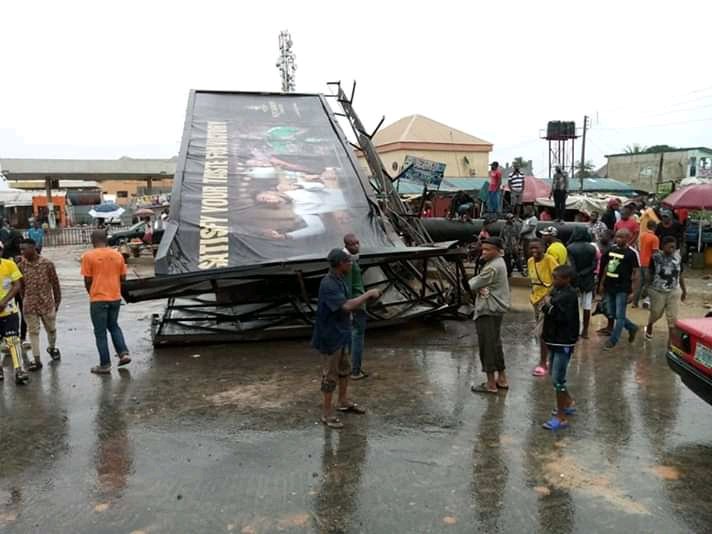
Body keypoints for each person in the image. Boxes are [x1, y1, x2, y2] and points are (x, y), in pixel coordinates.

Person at [312, 249, 382, 429]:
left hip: (341, 332)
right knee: (330, 375)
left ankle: (343, 401)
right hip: (330, 335)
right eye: (348, 262)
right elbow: (346, 305)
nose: (351, 264)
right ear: (340, 263)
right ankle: (327, 413)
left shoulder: (340, 280)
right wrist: (368, 294)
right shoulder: (328, 284)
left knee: (345, 369)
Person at [80, 230, 131, 374]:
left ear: (92, 240)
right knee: (114, 326)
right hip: (115, 297)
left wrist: (92, 294)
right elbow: (123, 278)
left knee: (100, 332)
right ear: (106, 239)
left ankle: (105, 364)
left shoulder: (88, 256)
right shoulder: (117, 255)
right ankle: (123, 353)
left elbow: (87, 280)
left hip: (98, 299)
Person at [469, 237, 511, 394]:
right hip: (496, 309)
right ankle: (502, 378)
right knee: (495, 343)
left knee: (487, 346)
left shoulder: (492, 268)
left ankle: (490, 384)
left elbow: (473, 284)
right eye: (483, 249)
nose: (484, 252)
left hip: (488, 309)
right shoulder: (500, 262)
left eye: (487, 250)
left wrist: (470, 283)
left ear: (497, 250)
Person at [540, 265, 579, 430]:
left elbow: (559, 314)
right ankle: (568, 402)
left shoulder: (569, 296)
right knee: (555, 375)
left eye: (557, 278)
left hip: (563, 341)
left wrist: (547, 305)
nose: (554, 281)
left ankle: (561, 417)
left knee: (558, 379)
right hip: (554, 340)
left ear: (567, 279)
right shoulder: (557, 292)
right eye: (553, 277)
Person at [17, 239, 61, 371]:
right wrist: (24, 299)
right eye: (21, 249)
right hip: (30, 305)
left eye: (24, 249)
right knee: (33, 332)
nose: (22, 252)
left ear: (33, 248)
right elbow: (21, 287)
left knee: (51, 330)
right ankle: (37, 360)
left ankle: (52, 348)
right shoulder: (21, 266)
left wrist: (57, 301)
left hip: (47, 303)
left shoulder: (47, 264)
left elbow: (55, 284)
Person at [599, 229, 640, 350]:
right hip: (609, 285)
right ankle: (632, 327)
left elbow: (636, 273)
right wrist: (601, 284)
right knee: (612, 312)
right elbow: (606, 267)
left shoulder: (632, 253)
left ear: (628, 238)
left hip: (623, 287)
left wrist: (633, 292)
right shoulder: (611, 250)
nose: (618, 239)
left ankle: (613, 340)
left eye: (621, 237)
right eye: (617, 237)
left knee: (620, 315)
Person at [645, 236, 687, 345]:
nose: (672, 249)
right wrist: (646, 289)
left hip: (674, 290)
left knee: (672, 318)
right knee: (656, 313)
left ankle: (670, 343)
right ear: (663, 246)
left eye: (674, 247)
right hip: (658, 291)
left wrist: (684, 290)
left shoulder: (678, 258)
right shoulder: (655, 257)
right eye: (670, 247)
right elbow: (650, 273)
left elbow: (680, 274)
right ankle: (650, 324)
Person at [527, 239, 559, 377]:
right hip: (536, 299)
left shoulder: (549, 260)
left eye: (537, 248)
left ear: (544, 248)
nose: (534, 251)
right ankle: (551, 359)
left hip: (547, 300)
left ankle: (542, 363)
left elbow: (558, 277)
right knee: (547, 332)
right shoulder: (530, 261)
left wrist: (550, 295)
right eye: (531, 248)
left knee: (541, 333)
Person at [0, 241, 29, 384]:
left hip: (9, 309)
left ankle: (18, 369)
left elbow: (17, 284)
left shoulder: (9, 265)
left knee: (13, 340)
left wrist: (4, 301)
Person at [343, 233, 368, 380]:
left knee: (354, 335)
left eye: (358, 243)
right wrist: (351, 308)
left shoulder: (350, 259)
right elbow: (348, 287)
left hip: (357, 302)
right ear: (346, 245)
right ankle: (355, 370)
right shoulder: (348, 263)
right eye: (353, 244)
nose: (357, 246)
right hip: (357, 303)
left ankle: (354, 368)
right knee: (358, 335)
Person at [566, 226, 597, 338]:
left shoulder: (570, 248)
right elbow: (594, 266)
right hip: (588, 281)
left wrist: (577, 278)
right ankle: (585, 331)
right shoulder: (592, 248)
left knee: (575, 307)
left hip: (575, 282)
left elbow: (572, 267)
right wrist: (584, 273)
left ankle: (575, 330)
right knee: (587, 306)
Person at [635, 220, 659, 308]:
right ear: (654, 227)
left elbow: (639, 247)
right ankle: (646, 301)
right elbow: (655, 253)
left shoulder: (642, 236)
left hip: (640, 262)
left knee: (639, 284)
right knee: (649, 283)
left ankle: (635, 303)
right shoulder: (654, 238)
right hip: (649, 264)